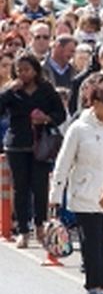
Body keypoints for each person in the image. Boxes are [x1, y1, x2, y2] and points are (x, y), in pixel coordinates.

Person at [50, 82, 103, 294]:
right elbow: (64, 163)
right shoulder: (79, 128)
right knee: (93, 244)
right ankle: (95, 284)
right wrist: (55, 197)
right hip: (87, 194)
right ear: (94, 103)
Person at [0, 52, 66, 248]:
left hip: (41, 143)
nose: (23, 74)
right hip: (17, 144)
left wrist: (46, 118)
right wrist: (8, 92)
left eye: (27, 70)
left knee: (39, 187)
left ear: (36, 70)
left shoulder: (46, 89)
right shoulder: (12, 91)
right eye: (19, 70)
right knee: (20, 188)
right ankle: (23, 230)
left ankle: (39, 225)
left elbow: (60, 113)